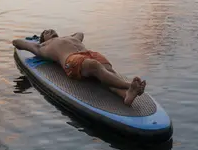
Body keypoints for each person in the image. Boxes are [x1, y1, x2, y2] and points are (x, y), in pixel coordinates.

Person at [12, 29, 146, 106]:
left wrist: (68, 38)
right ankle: (129, 85)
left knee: (108, 73)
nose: (50, 30)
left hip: (90, 54)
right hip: (72, 60)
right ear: (43, 39)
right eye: (46, 32)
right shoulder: (42, 47)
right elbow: (17, 43)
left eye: (52, 29)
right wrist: (34, 41)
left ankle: (126, 95)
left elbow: (80, 33)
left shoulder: (69, 38)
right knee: (95, 67)